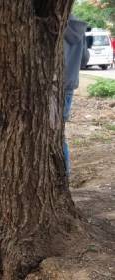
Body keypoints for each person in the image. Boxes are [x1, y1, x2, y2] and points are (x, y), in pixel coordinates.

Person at [63, 15, 89, 176]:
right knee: (57, 132)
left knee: (50, 133)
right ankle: (63, 173)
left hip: (50, 86)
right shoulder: (79, 29)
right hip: (69, 87)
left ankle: (63, 173)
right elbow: (85, 59)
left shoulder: (48, 23)